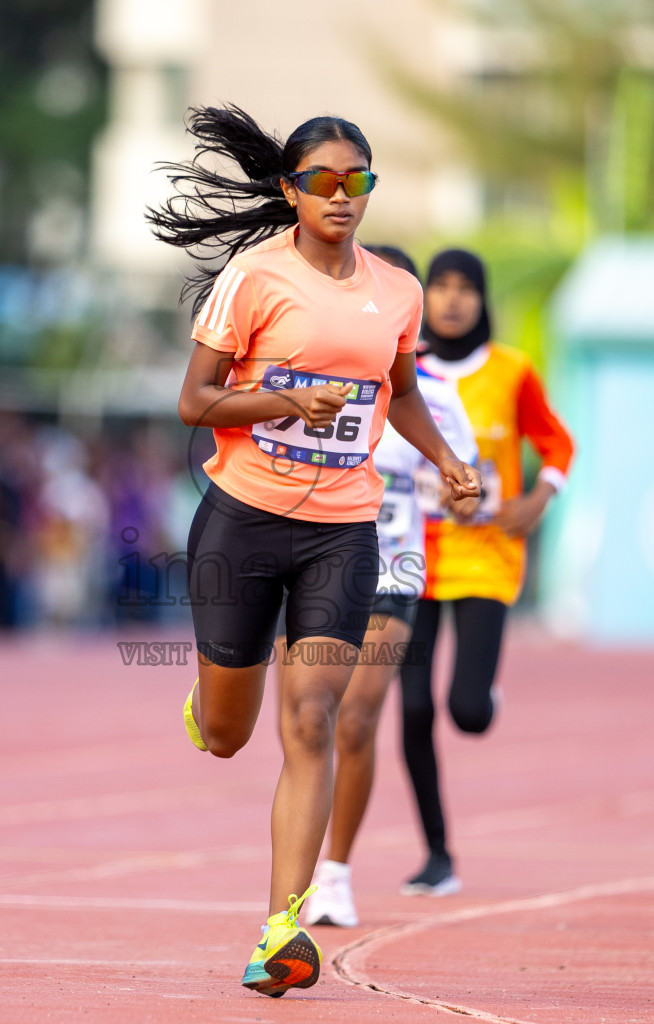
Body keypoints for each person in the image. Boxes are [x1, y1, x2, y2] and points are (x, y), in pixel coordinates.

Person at [150, 106, 480, 997]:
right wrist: (282, 406)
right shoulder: (253, 280)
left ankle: (281, 930)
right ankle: (211, 698)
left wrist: (449, 461)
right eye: (323, 182)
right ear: (291, 190)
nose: (341, 197)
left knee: (313, 720)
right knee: (228, 736)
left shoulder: (396, 294)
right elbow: (195, 401)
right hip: (244, 520)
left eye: (357, 181)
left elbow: (400, 394)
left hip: (343, 530)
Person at [301, 244, 480, 929]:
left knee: (355, 717)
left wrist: (461, 493)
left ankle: (335, 874)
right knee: (310, 718)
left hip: (394, 575)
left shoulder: (434, 399)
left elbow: (469, 489)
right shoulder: (316, 388)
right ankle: (302, 865)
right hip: (318, 567)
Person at [398, 248, 575, 896]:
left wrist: (538, 497)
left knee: (466, 711)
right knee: (413, 710)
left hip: (485, 556)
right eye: (438, 286)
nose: (449, 299)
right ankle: (437, 854)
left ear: (481, 299)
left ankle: (484, 693)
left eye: (463, 287)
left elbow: (557, 441)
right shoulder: (404, 371)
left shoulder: (511, 372)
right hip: (410, 554)